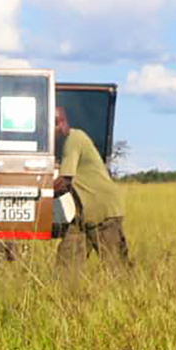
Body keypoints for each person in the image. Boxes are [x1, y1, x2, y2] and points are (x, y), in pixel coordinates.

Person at [53, 106, 129, 269]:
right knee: (65, 265)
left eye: (52, 126)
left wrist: (37, 195)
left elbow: (64, 181)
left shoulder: (74, 140)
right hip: (82, 214)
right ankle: (64, 294)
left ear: (60, 123)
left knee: (116, 266)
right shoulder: (66, 143)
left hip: (103, 211)